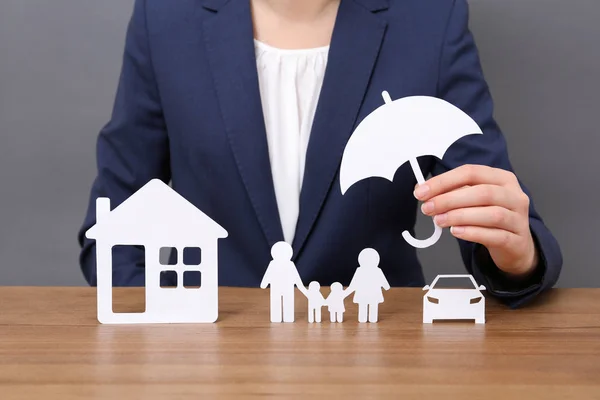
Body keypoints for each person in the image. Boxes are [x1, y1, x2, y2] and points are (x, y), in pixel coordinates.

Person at [78, 0, 562, 308]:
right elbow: (113, 229)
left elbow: (497, 214)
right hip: (207, 354)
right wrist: (156, 328)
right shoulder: (164, 17)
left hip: (377, 356)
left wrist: (515, 256)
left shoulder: (430, 19)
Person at [260, 242, 307, 323]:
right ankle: (277, 318)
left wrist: (302, 287)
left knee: (288, 302)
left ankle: (287, 317)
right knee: (276, 303)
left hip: (286, 288)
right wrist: (264, 283)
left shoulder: (289, 264)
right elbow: (268, 274)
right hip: (277, 288)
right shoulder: (273, 264)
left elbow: (296, 278)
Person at [346, 249, 391, 323]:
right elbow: (354, 283)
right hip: (372, 293)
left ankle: (366, 318)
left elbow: (353, 284)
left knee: (367, 305)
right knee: (368, 305)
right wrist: (386, 287)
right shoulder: (373, 270)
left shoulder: (370, 270)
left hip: (366, 293)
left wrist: (346, 292)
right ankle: (368, 318)